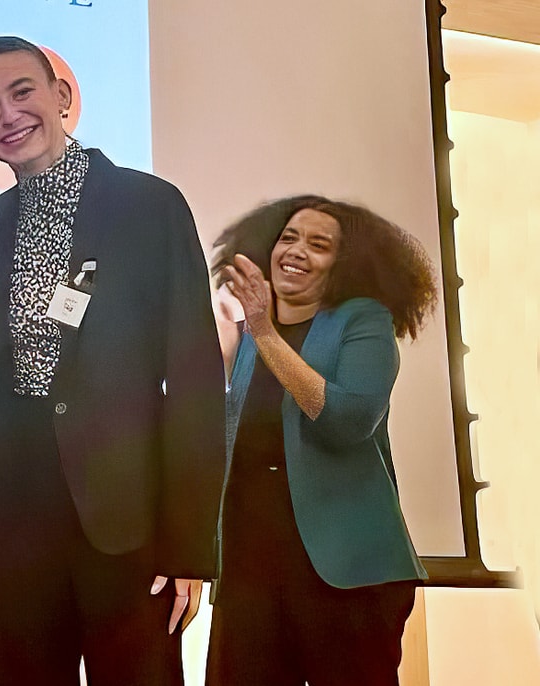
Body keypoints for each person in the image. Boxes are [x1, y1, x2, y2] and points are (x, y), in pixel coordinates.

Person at [0, 36, 226, 685]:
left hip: (129, 520)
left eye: (22, 92)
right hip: (15, 519)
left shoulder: (149, 205)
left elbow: (194, 377)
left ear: (61, 96)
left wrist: (190, 544)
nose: (8, 115)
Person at [207, 195, 437, 685]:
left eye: (319, 244)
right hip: (250, 573)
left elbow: (348, 421)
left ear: (344, 263)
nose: (296, 250)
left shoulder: (363, 321)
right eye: (288, 237)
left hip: (345, 577)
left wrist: (266, 332)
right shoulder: (246, 335)